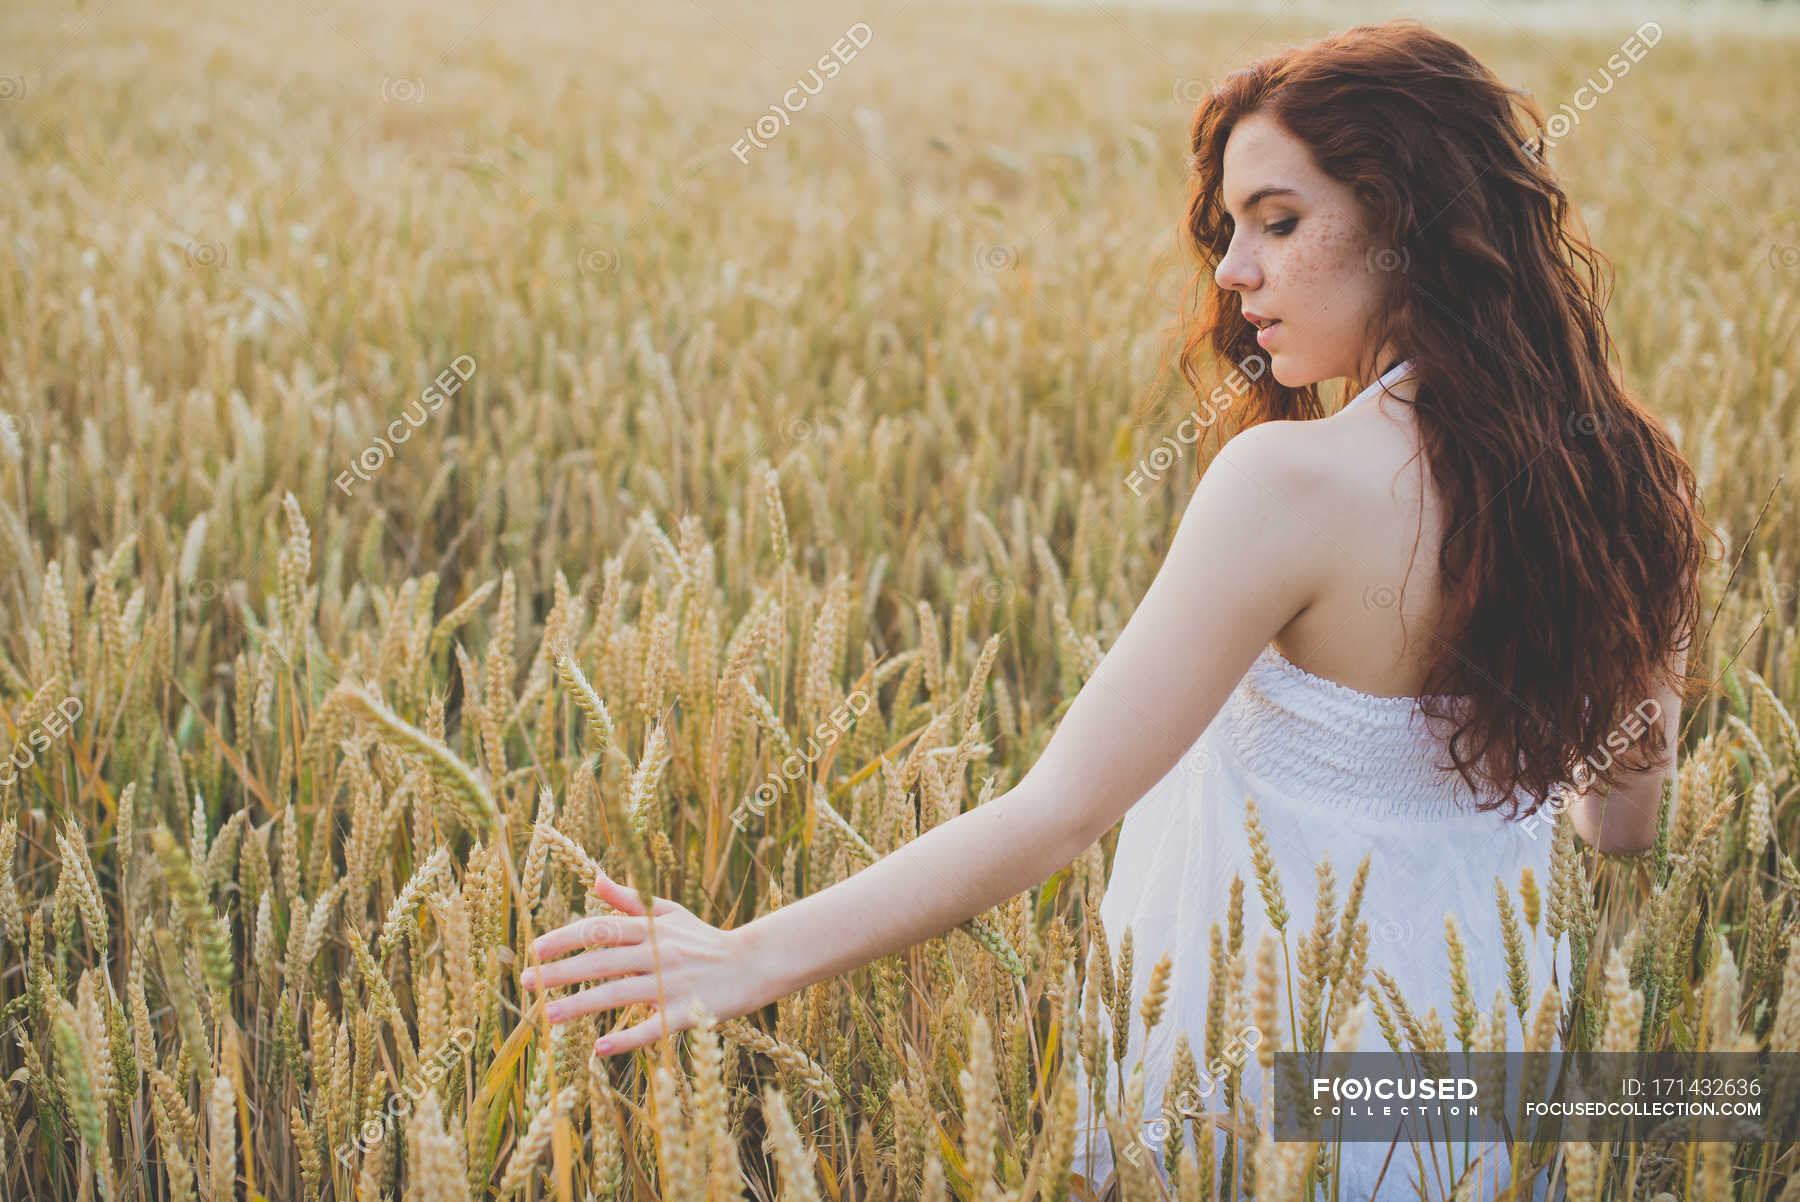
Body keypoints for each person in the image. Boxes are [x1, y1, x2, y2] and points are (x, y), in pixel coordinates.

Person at [522, 18, 1714, 1200]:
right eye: (1230, 230)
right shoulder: (1632, 474)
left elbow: (1057, 811)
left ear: (1406, 216)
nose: (1235, 271)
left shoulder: (1288, 486)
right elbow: (1623, 827)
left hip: (1258, 1069)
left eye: (1279, 221)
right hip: (1476, 1068)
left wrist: (748, 952)